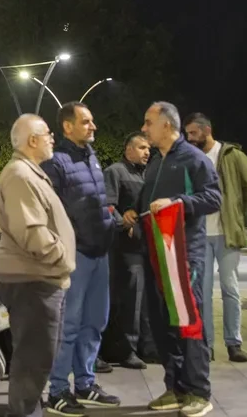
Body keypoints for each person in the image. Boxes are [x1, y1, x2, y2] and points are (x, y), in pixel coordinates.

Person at [139, 102, 221, 417]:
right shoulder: (157, 162)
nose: (144, 129)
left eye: (149, 122)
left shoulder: (194, 159)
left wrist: (177, 202)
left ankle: (200, 392)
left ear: (166, 124)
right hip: (159, 256)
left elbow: (213, 198)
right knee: (164, 325)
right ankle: (176, 388)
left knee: (188, 323)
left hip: (186, 258)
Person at [40, 102, 120, 416]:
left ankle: (85, 384)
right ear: (67, 126)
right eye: (86, 122)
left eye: (92, 121)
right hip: (77, 256)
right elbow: (52, 212)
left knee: (94, 323)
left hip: (100, 253)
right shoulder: (56, 162)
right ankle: (57, 390)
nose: (93, 126)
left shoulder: (91, 157)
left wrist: (110, 227)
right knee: (69, 325)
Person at [0, 115, 76, 417]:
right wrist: (63, 258)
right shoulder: (20, 175)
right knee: (33, 360)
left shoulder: (30, 173)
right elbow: (31, 231)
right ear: (32, 140)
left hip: (38, 278)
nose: (52, 138)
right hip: (32, 279)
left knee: (37, 358)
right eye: (47, 133)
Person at [183, 113, 247, 363]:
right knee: (201, 292)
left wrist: (234, 215)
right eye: (188, 133)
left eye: (193, 133)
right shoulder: (190, 159)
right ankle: (207, 345)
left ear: (207, 130)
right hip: (200, 234)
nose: (189, 138)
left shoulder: (233, 156)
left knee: (230, 288)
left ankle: (233, 343)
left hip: (226, 233)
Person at [101, 133, 155, 369]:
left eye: (148, 148)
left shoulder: (149, 175)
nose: (147, 152)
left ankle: (145, 346)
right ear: (128, 149)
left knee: (144, 300)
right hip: (123, 249)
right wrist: (124, 224)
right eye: (142, 147)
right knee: (128, 299)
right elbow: (107, 206)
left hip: (146, 247)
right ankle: (125, 350)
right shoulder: (115, 172)